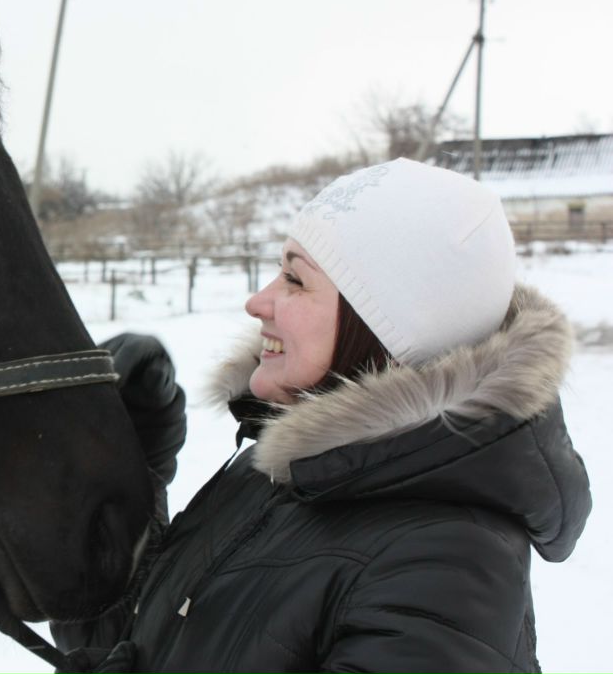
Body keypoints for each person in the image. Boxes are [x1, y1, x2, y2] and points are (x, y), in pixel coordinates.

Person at [62, 158, 591, 673]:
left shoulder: (448, 566)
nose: (258, 302)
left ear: (383, 325)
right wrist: (127, 471)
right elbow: (136, 641)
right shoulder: (284, 472)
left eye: (295, 279)